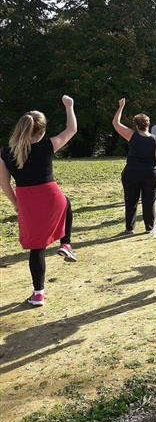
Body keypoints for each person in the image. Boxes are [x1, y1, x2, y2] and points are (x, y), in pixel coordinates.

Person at [0, 95, 78, 306]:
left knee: (37, 248)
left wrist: (16, 203)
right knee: (66, 203)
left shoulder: (6, 153)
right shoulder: (47, 145)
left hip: (27, 200)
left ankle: (38, 294)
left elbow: (4, 184)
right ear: (42, 131)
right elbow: (71, 130)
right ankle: (66, 243)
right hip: (51, 195)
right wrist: (69, 106)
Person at [112, 98, 156, 234]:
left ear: (136, 125)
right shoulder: (155, 139)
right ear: (148, 124)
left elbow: (116, 123)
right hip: (150, 173)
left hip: (132, 172)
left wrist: (121, 106)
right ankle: (150, 227)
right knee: (149, 202)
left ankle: (129, 228)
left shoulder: (132, 135)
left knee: (130, 201)